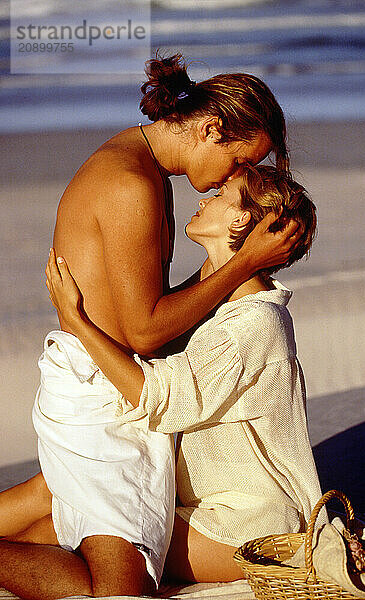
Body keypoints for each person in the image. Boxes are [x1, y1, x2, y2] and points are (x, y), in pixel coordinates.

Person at [0, 53, 302, 599]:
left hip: (118, 386)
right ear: (210, 130)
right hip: (101, 389)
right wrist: (242, 263)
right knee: (122, 589)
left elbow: (152, 309)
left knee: (57, 500)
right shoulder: (131, 185)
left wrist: (240, 269)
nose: (238, 176)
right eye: (239, 160)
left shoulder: (147, 170)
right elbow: (144, 330)